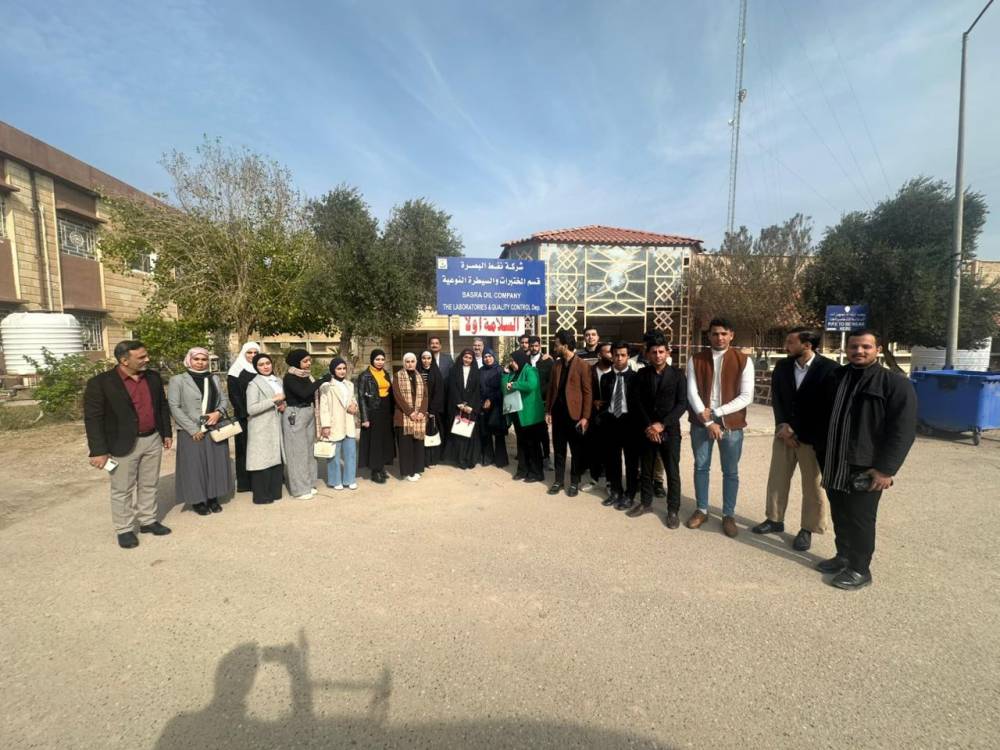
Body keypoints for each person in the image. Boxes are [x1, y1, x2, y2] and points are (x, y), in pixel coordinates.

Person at [815, 329, 917, 591]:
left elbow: (903, 431)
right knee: (840, 512)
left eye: (866, 347)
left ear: (878, 350)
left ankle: (860, 569)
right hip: (835, 461)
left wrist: (885, 469)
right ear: (846, 349)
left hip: (866, 466)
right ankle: (843, 556)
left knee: (860, 518)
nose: (859, 351)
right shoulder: (836, 377)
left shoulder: (894, 384)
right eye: (854, 347)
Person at [751, 327, 838, 550]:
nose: (786, 346)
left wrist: (795, 430)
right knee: (777, 478)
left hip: (811, 438)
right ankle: (774, 519)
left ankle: (808, 528)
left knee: (813, 485)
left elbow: (824, 409)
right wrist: (782, 426)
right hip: (783, 435)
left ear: (807, 345)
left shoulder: (830, 370)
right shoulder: (782, 367)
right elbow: (778, 399)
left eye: (790, 342)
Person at [84, 339, 173, 548]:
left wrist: (166, 433)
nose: (147, 359)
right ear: (124, 360)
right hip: (121, 444)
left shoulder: (153, 377)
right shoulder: (101, 383)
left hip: (152, 439)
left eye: (146, 355)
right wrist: (98, 451)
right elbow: (93, 419)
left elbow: (162, 406)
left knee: (149, 483)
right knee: (122, 488)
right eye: (141, 357)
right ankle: (124, 529)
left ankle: (148, 520)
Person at [685, 317, 754, 537]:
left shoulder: (743, 360)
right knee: (701, 467)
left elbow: (746, 396)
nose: (719, 337)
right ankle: (702, 510)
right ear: (709, 336)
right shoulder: (696, 359)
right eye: (715, 333)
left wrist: (717, 413)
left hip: (731, 424)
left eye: (724, 333)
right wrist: (708, 422)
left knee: (730, 471)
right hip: (701, 424)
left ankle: (728, 515)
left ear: (731, 335)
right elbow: (692, 393)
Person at [168, 347, 235, 516]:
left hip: (214, 427)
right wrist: (192, 429)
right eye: (196, 359)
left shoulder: (213, 378)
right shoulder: (178, 380)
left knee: (215, 463)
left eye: (204, 359)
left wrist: (218, 412)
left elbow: (223, 399)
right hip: (191, 430)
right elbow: (174, 406)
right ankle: (198, 500)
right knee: (194, 466)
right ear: (189, 360)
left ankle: (213, 497)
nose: (200, 362)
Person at [629, 335, 687, 527]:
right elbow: (636, 402)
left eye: (661, 351)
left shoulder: (678, 375)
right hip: (647, 429)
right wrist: (649, 426)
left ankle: (673, 510)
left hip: (670, 430)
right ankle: (646, 503)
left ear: (668, 352)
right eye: (654, 352)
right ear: (648, 354)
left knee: (672, 471)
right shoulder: (641, 374)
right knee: (646, 469)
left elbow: (682, 404)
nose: (658, 355)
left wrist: (662, 425)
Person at [545, 329, 593, 497]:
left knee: (576, 451)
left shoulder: (582, 365)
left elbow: (588, 393)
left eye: (556, 344)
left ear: (565, 346)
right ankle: (558, 481)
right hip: (558, 415)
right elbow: (551, 389)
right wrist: (548, 411)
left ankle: (574, 482)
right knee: (559, 450)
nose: (554, 347)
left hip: (575, 416)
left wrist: (585, 417)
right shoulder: (556, 365)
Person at [595, 341, 640, 511]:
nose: (619, 358)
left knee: (631, 461)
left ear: (628, 356)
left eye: (623, 355)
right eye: (616, 355)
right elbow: (604, 401)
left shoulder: (636, 377)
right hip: (611, 421)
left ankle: (630, 494)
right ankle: (615, 491)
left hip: (630, 423)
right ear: (611, 356)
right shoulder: (606, 378)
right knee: (612, 459)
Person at [244, 353, 287, 504]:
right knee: (262, 461)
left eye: (267, 363)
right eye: (261, 365)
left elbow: (282, 400)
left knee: (275, 459)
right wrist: (273, 400)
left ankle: (275, 492)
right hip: (261, 427)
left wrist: (283, 405)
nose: (265, 367)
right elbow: (251, 409)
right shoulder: (253, 384)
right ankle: (261, 495)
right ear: (256, 367)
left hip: (276, 425)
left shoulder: (278, 380)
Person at [282, 349, 322, 500]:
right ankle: (299, 489)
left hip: (308, 412)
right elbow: (303, 393)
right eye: (305, 361)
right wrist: (320, 381)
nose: (308, 363)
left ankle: (309, 483)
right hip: (295, 413)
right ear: (296, 362)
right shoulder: (290, 377)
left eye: (309, 360)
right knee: (297, 452)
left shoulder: (308, 376)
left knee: (309, 450)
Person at [317, 357, 359, 490]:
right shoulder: (326, 386)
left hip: (349, 423)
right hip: (334, 424)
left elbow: (353, 400)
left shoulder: (349, 384)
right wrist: (325, 425)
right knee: (334, 456)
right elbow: (324, 407)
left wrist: (355, 406)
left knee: (351, 454)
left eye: (344, 368)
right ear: (333, 370)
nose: (342, 371)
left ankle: (350, 479)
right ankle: (335, 481)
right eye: (339, 369)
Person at [503, 350, 546, 483]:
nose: (512, 363)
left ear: (520, 360)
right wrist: (505, 374)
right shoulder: (513, 373)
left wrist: (515, 385)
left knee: (533, 445)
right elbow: (504, 387)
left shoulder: (530, 370)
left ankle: (536, 473)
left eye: (513, 361)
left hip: (530, 415)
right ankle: (523, 470)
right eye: (511, 361)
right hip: (518, 413)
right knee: (521, 443)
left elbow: (532, 385)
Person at [357, 349, 396, 484]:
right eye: (377, 359)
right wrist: (365, 418)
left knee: (385, 440)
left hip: (386, 410)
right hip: (374, 410)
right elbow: (361, 398)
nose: (380, 362)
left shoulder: (386, 373)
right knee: (375, 441)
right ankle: (375, 471)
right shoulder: (365, 376)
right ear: (372, 360)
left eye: (382, 359)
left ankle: (381, 467)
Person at [226, 341, 260, 493]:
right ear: (243, 353)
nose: (253, 355)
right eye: (249, 352)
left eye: (255, 352)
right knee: (244, 447)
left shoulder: (262, 367)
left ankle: (261, 479)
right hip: (244, 417)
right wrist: (245, 414)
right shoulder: (236, 370)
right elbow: (234, 395)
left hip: (262, 415)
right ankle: (245, 482)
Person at [392, 353, 428, 481]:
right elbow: (398, 396)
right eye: (407, 361)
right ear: (404, 363)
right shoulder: (397, 376)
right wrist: (410, 412)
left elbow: (425, 396)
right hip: (403, 416)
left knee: (417, 444)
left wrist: (422, 411)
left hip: (419, 417)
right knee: (405, 446)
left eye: (412, 361)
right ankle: (408, 472)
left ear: (416, 363)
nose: (410, 364)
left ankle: (417, 469)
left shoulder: (420, 376)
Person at [444, 348, 481, 469]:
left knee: (470, 433)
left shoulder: (476, 371)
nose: (467, 360)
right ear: (461, 357)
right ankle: (460, 460)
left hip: (471, 407)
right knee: (459, 433)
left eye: (470, 358)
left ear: (473, 360)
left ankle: (470, 459)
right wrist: (459, 403)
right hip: (457, 406)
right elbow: (452, 387)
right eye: (465, 357)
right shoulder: (454, 370)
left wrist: (470, 405)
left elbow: (477, 390)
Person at [583, 342, 613, 490]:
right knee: (594, 449)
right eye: (608, 352)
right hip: (594, 416)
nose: (611, 355)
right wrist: (593, 401)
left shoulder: (616, 371)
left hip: (612, 417)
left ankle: (610, 482)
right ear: (599, 355)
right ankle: (594, 479)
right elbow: (585, 391)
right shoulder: (590, 371)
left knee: (610, 451)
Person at [477, 348, 509, 467]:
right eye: (485, 357)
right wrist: (482, 401)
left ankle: (501, 460)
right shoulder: (480, 371)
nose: (487, 359)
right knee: (485, 433)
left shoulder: (500, 370)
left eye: (490, 356)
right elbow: (478, 388)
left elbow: (502, 388)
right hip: (483, 406)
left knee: (498, 434)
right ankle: (488, 457)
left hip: (497, 405)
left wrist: (490, 399)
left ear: (494, 357)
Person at [529, 336, 554, 469]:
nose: (534, 348)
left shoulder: (547, 361)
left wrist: (540, 391)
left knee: (543, 431)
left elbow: (551, 381)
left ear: (540, 346)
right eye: (532, 346)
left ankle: (546, 457)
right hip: (528, 402)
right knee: (530, 430)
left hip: (542, 401)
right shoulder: (525, 360)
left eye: (536, 346)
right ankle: (534, 457)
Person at [418, 351, 445, 466]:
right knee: (420, 436)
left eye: (428, 358)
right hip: (419, 410)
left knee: (432, 436)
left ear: (432, 360)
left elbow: (439, 392)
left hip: (433, 410)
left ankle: (432, 460)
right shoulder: (417, 371)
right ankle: (422, 460)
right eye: (423, 358)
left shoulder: (436, 372)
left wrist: (432, 410)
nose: (426, 360)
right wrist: (421, 409)